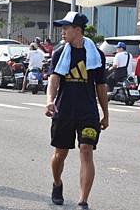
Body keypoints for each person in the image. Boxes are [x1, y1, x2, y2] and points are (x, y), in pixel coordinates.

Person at [45, 11, 108, 210]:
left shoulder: (96, 55)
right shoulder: (59, 53)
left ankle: (83, 199)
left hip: (88, 112)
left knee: (86, 150)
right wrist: (49, 100)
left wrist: (106, 113)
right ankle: (57, 183)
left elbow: (100, 85)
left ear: (78, 30)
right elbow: (54, 79)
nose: (62, 32)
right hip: (63, 110)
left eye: (66, 28)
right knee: (60, 154)